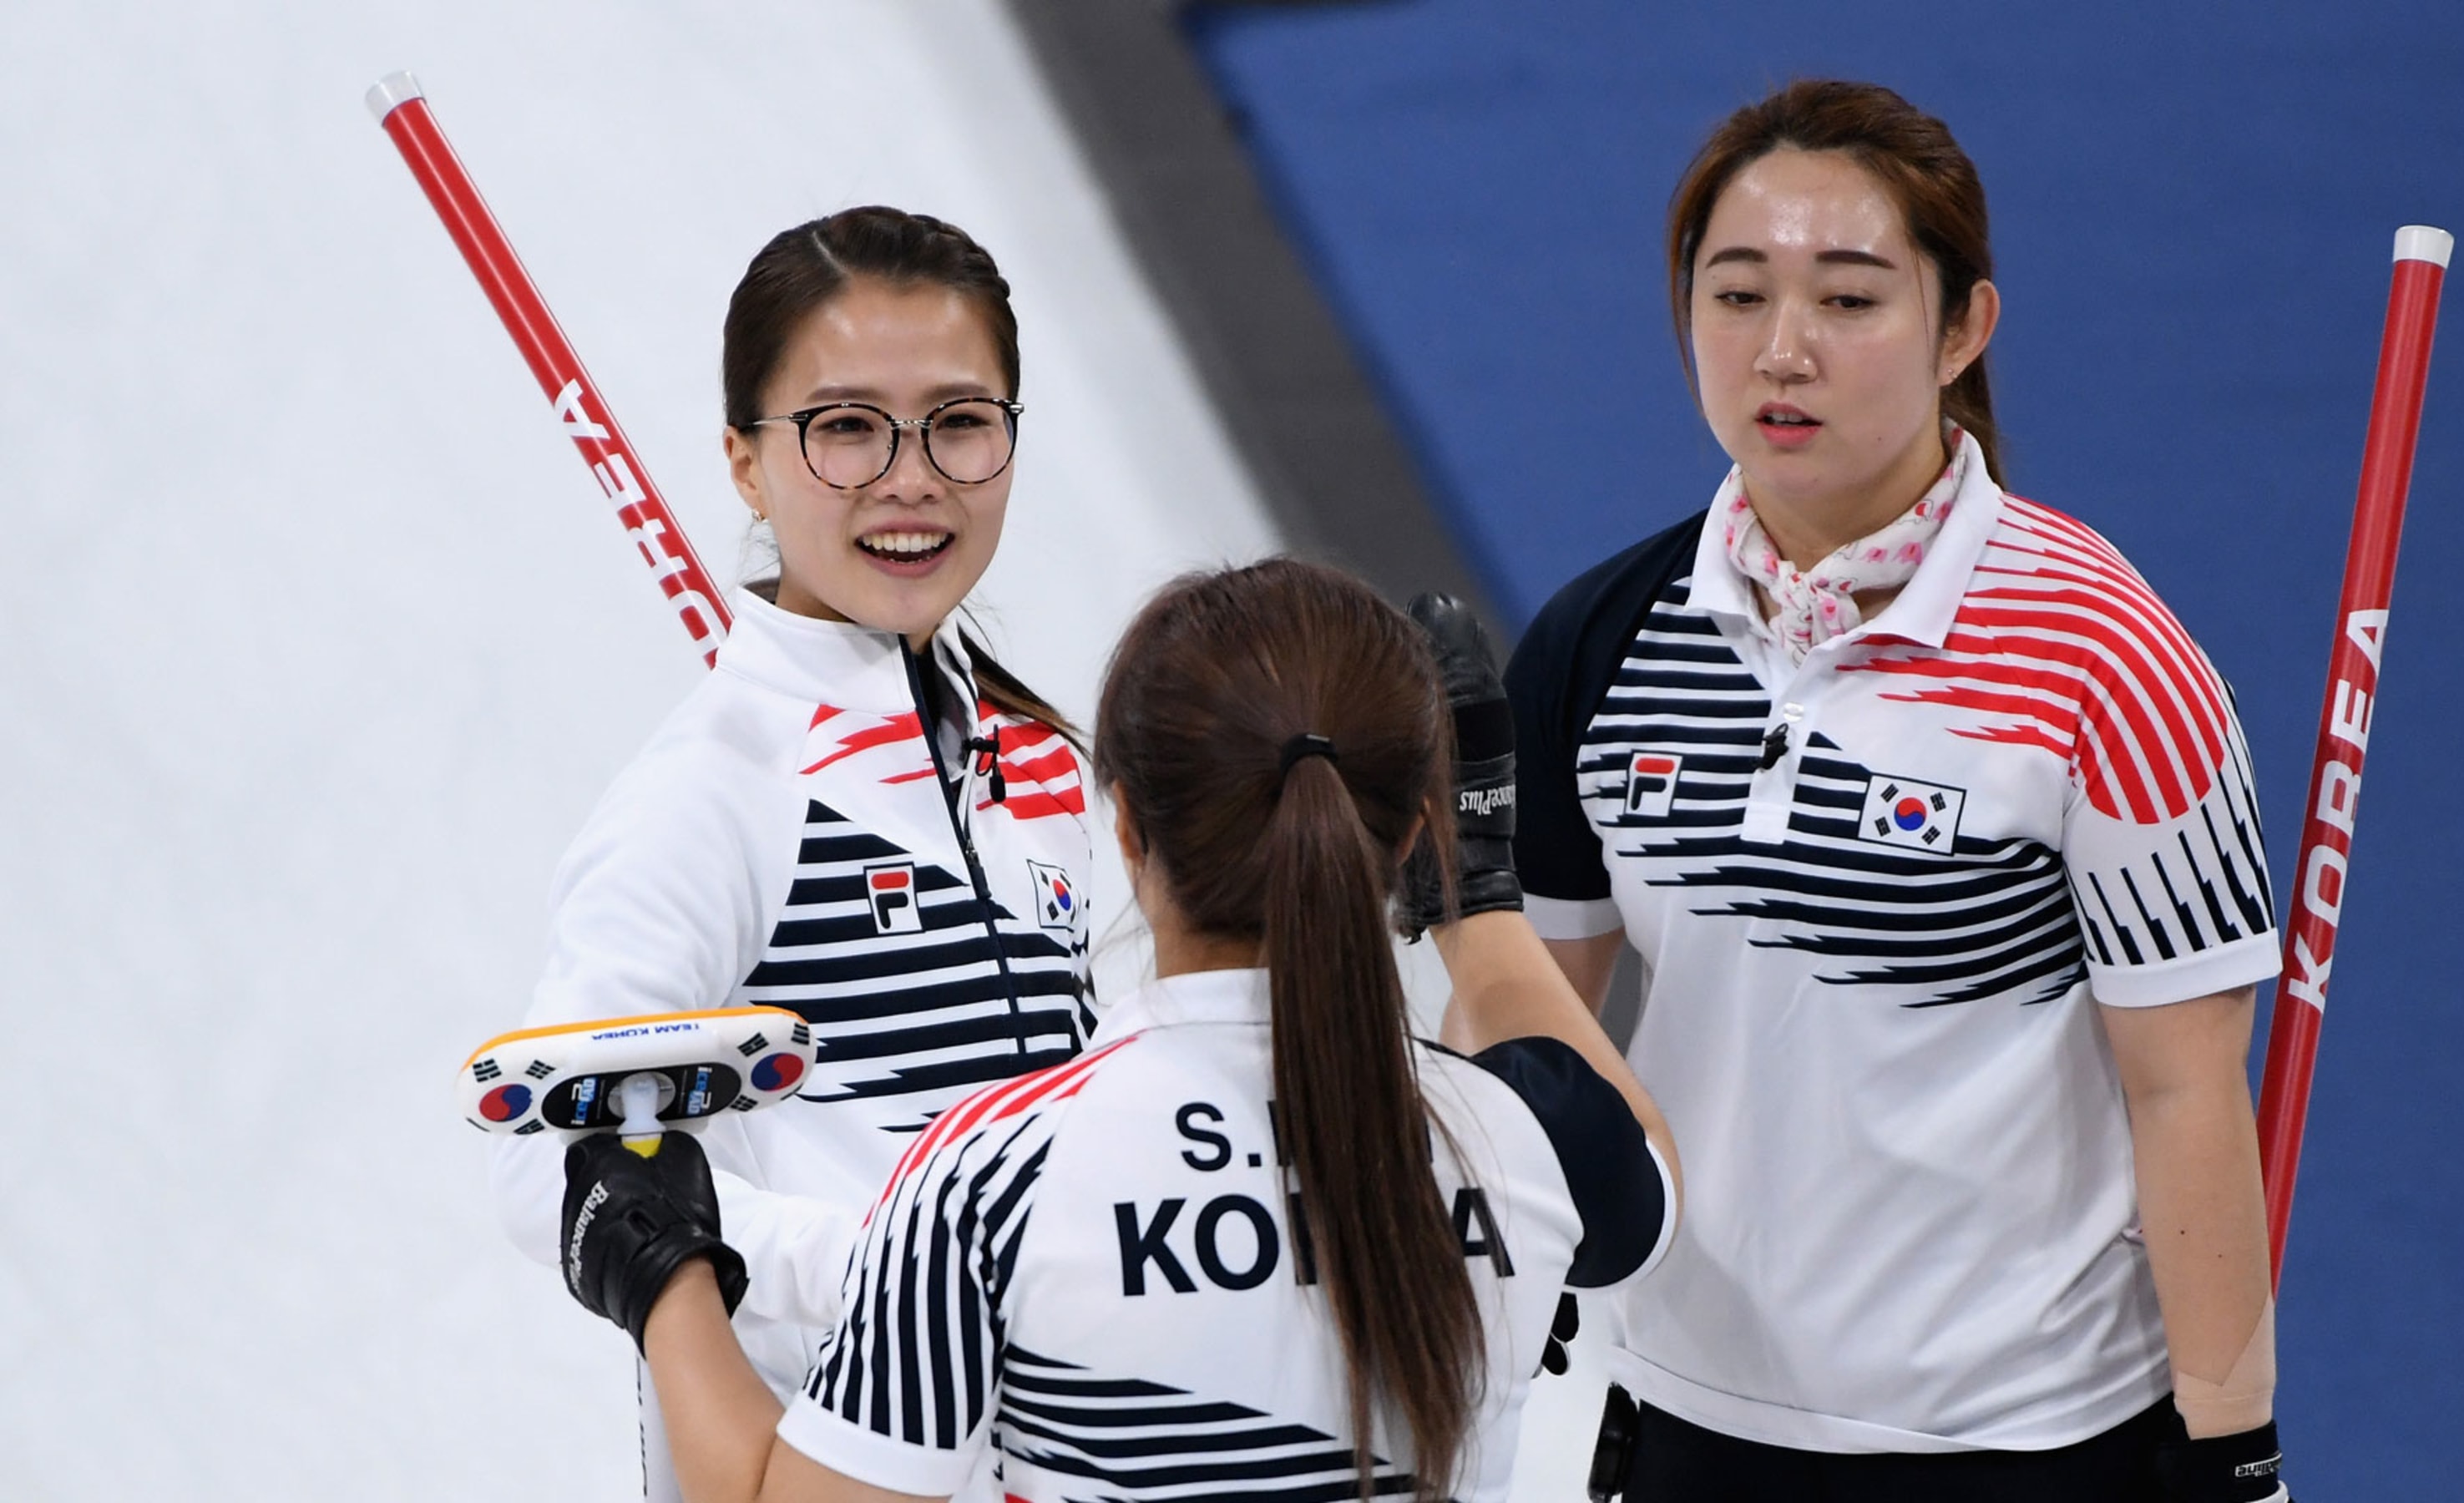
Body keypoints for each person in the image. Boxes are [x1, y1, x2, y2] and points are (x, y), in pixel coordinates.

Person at [1505, 81, 2289, 1500]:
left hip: (2025, 1443)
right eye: (1736, 295)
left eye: (1850, 301)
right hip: (1684, 1424)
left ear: (1962, 329)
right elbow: (1527, 1018)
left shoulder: (2108, 657)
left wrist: (2233, 1451)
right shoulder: (1599, 640)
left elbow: (2187, 1095)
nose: (1782, 351)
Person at [551, 560, 1682, 1503]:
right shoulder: (1524, 1147)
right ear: (1408, 832)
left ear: (1126, 828)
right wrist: (1477, 896)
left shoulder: (995, 1172)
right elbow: (1646, 1183)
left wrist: (662, 1269)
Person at [490, 206, 1095, 1500]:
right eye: (844, 427)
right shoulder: (709, 794)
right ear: (746, 463)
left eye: (961, 420)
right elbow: (548, 1155)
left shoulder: (1046, 763)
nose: (910, 475)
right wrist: (910, 1261)